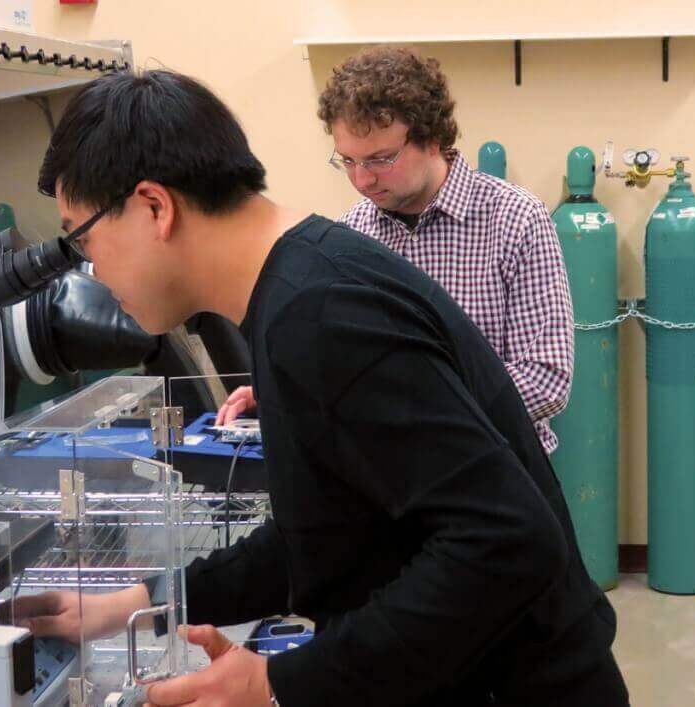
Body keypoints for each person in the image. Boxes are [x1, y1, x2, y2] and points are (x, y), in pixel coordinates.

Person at [17, 68, 628, 706]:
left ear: (154, 207)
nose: (93, 266)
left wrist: (279, 684)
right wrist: (139, 602)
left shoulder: (323, 315)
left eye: (83, 235)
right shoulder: (305, 284)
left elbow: (508, 542)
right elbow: (323, 535)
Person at [219, 46, 574, 456]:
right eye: (347, 161)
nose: (362, 179)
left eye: (381, 159)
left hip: (502, 476)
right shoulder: (353, 231)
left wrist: (409, 410)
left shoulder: (515, 219)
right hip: (394, 488)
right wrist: (284, 392)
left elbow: (545, 381)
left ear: (434, 138)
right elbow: (345, 367)